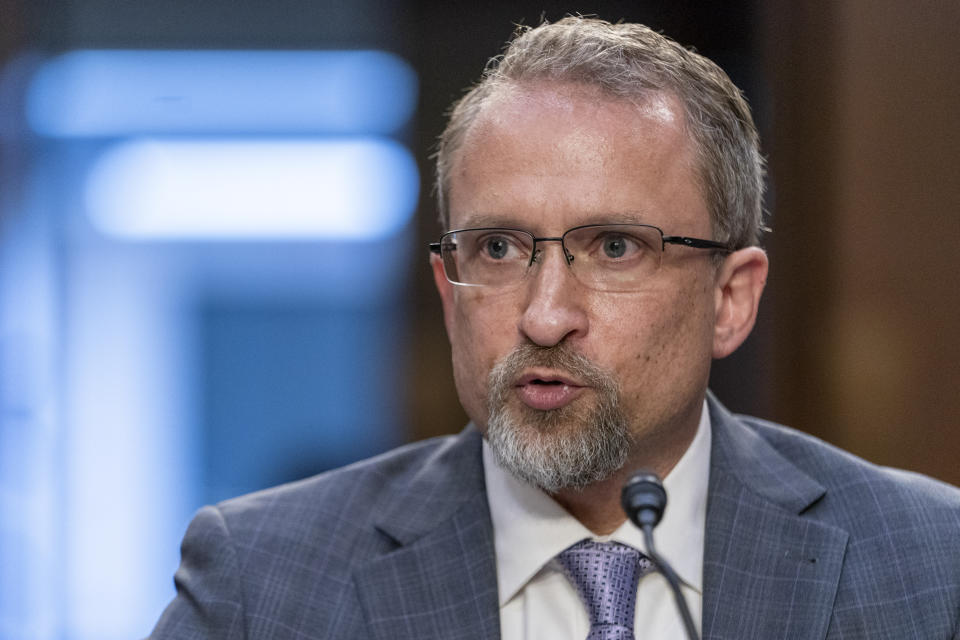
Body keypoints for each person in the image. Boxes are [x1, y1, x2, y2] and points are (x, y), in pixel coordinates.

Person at [148, 17, 960, 640]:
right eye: (497, 249)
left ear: (731, 300)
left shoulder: (929, 566)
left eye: (615, 247)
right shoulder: (264, 583)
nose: (543, 316)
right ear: (446, 287)